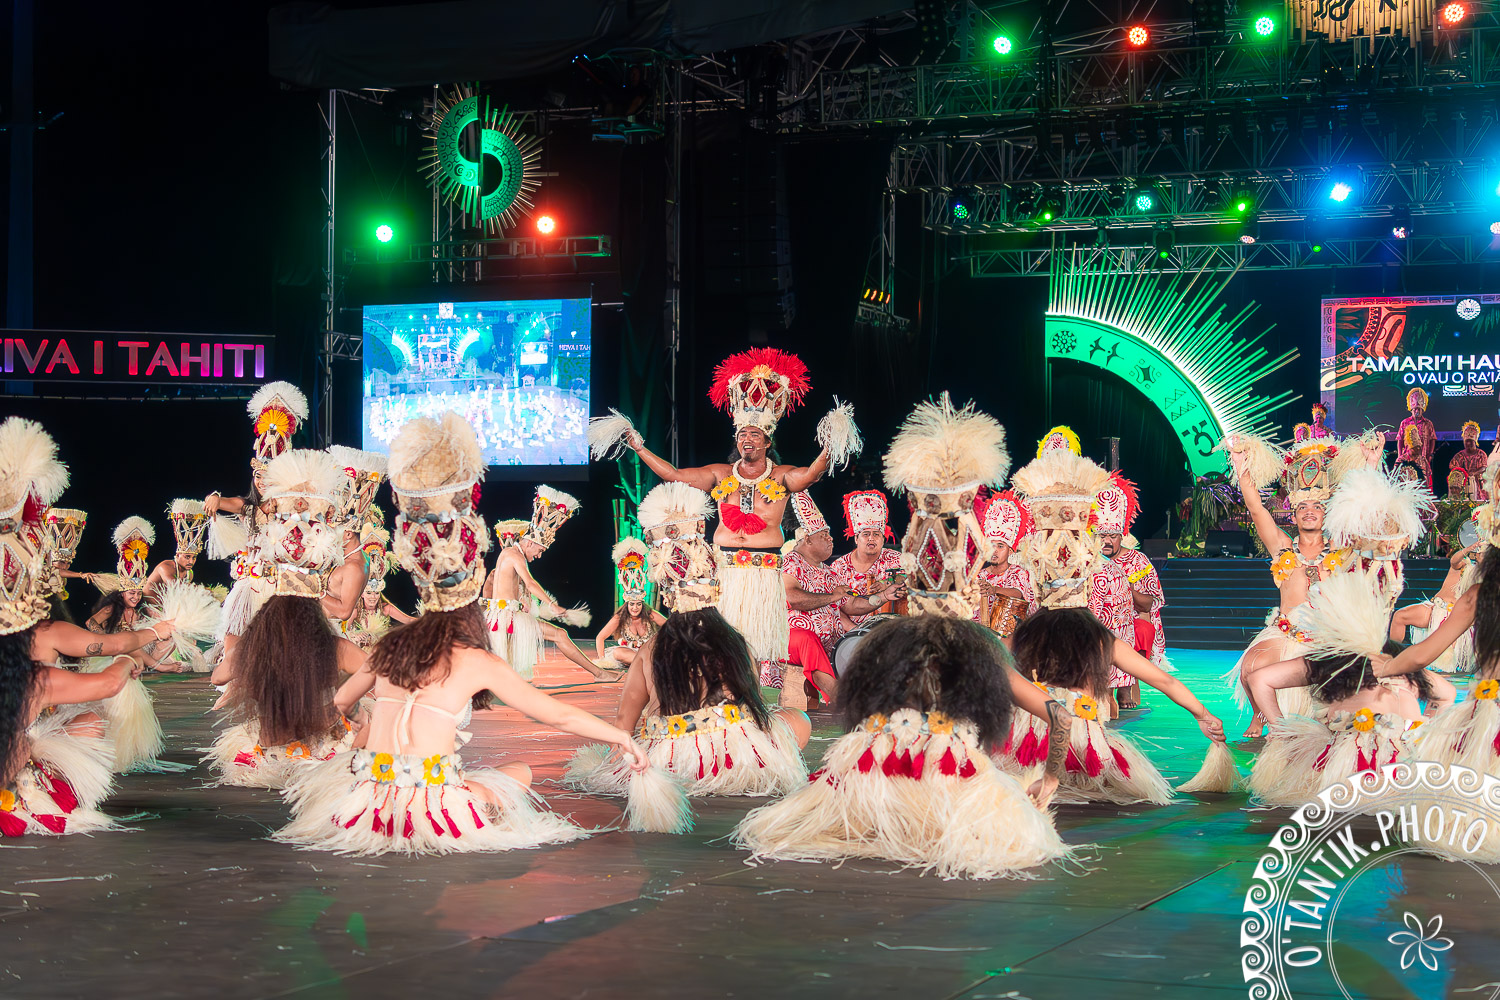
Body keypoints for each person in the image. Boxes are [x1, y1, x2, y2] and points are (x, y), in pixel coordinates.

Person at [274, 412, 646, 855]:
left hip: (372, 798)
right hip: (430, 804)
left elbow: (339, 703)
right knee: (521, 773)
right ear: (472, 592)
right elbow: (558, 716)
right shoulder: (476, 661)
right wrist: (621, 737)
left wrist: (360, 723)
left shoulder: (390, 647)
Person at [589, 348, 861, 707]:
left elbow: (810, 475)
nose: (747, 438)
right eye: (742, 433)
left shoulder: (780, 477)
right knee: (721, 644)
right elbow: (674, 474)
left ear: (767, 441)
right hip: (725, 572)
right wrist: (639, 447)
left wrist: (829, 446)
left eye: (755, 434)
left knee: (756, 646)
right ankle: (719, 703)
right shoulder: (720, 474)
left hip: (763, 574)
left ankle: (753, 707)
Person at [733, 615, 1074, 881]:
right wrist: (1050, 779)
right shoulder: (984, 654)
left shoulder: (886, 643)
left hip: (873, 772)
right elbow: (1061, 717)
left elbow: (857, 713)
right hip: (939, 775)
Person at [0, 417, 176, 835]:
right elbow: (108, 675)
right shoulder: (40, 659)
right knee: (90, 721)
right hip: (10, 775)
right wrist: (139, 653)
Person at [207, 448, 367, 787]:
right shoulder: (334, 648)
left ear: (268, 612)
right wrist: (353, 707)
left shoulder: (253, 645)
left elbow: (218, 676)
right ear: (314, 610)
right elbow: (383, 676)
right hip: (322, 756)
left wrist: (239, 664)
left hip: (270, 759)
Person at [1244, 573, 1451, 808]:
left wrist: (1280, 728)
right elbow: (1446, 695)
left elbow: (1259, 679)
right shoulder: (1396, 656)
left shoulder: (1328, 662)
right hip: (1408, 763)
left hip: (1357, 766)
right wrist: (1424, 731)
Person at [567, 606, 810, 799]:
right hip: (734, 757)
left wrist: (615, 764)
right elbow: (758, 715)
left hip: (671, 758)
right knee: (798, 720)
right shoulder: (734, 640)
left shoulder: (650, 647)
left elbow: (624, 723)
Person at [1003, 608, 1229, 804]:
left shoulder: (1023, 637)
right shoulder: (1104, 643)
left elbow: (989, 660)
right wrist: (1203, 714)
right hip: (1078, 740)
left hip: (1027, 737)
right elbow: (1165, 681)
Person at [1221, 432, 1362, 736]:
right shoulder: (1283, 547)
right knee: (1249, 668)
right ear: (1294, 515)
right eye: (1302, 507)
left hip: (1325, 636)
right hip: (1285, 632)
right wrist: (1241, 463)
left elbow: (1363, 510)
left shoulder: (1340, 549)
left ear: (1327, 514)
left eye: (1317, 506)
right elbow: (1256, 509)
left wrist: (1370, 463)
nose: (1310, 511)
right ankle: (1261, 714)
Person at [481, 487, 611, 681]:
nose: (539, 556)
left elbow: (502, 583)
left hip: (505, 616)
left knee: (552, 638)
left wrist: (514, 603)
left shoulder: (510, 554)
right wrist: (551, 604)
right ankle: (599, 673)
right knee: (559, 635)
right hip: (507, 618)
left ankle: (599, 673)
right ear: (529, 543)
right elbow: (530, 583)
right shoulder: (515, 555)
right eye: (540, 551)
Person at [781, 492, 889, 706]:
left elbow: (851, 605)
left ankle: (873, 695)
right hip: (790, 639)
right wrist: (832, 596)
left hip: (827, 642)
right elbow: (792, 597)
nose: (831, 539)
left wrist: (884, 595)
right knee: (807, 639)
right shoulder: (791, 561)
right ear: (808, 539)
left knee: (854, 643)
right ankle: (842, 700)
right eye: (825, 535)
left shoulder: (829, 572)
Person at [1390, 541, 1478, 674]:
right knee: (1400, 616)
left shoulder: (1487, 574)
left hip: (1460, 617)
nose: (1481, 551)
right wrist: (1469, 548)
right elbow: (1454, 560)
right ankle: (1393, 659)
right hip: (1437, 609)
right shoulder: (1462, 564)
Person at [827, 489, 906, 623]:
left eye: (876, 534)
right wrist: (855, 631)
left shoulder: (896, 559)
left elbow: (911, 580)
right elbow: (833, 608)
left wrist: (889, 582)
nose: (871, 538)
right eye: (866, 534)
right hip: (852, 631)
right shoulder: (839, 567)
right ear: (856, 539)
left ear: (883, 539)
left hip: (891, 628)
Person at [974, 489, 1036, 644]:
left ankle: (1003, 652)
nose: (994, 551)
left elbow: (1018, 593)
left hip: (1008, 635)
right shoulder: (980, 574)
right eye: (991, 546)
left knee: (1010, 605)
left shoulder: (1018, 572)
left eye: (1000, 546)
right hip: (979, 632)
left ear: (1010, 550)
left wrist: (993, 590)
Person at [593, 538, 665, 668]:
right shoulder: (620, 617)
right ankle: (647, 664)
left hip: (649, 652)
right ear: (627, 604)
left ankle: (646, 663)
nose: (635, 608)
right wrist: (602, 660)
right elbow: (600, 637)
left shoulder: (650, 614)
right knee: (618, 652)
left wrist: (660, 641)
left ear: (642, 604)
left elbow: (671, 626)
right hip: (630, 654)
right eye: (632, 604)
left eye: (638, 604)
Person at [143, 499, 207, 597]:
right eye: (187, 557)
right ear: (177, 555)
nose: (191, 561)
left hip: (167, 604)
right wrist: (204, 590)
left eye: (194, 557)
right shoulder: (165, 567)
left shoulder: (189, 573)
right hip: (147, 604)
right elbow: (177, 588)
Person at [1397, 387, 1436, 488]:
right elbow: (1400, 440)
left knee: (1424, 484)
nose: (1417, 411)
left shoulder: (1428, 423)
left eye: (1419, 409)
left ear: (1422, 409)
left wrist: (1430, 454)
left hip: (1423, 457)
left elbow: (1432, 439)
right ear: (1411, 409)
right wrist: (1400, 455)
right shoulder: (1404, 422)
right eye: (1415, 409)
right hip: (1408, 458)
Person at [1448, 420, 1489, 501]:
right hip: (1463, 485)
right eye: (1467, 441)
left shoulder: (1481, 454)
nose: (1468, 444)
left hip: (1478, 485)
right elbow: (1453, 467)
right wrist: (1462, 474)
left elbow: (1484, 467)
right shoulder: (1459, 456)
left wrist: (1474, 473)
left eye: (1471, 441)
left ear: (1475, 441)